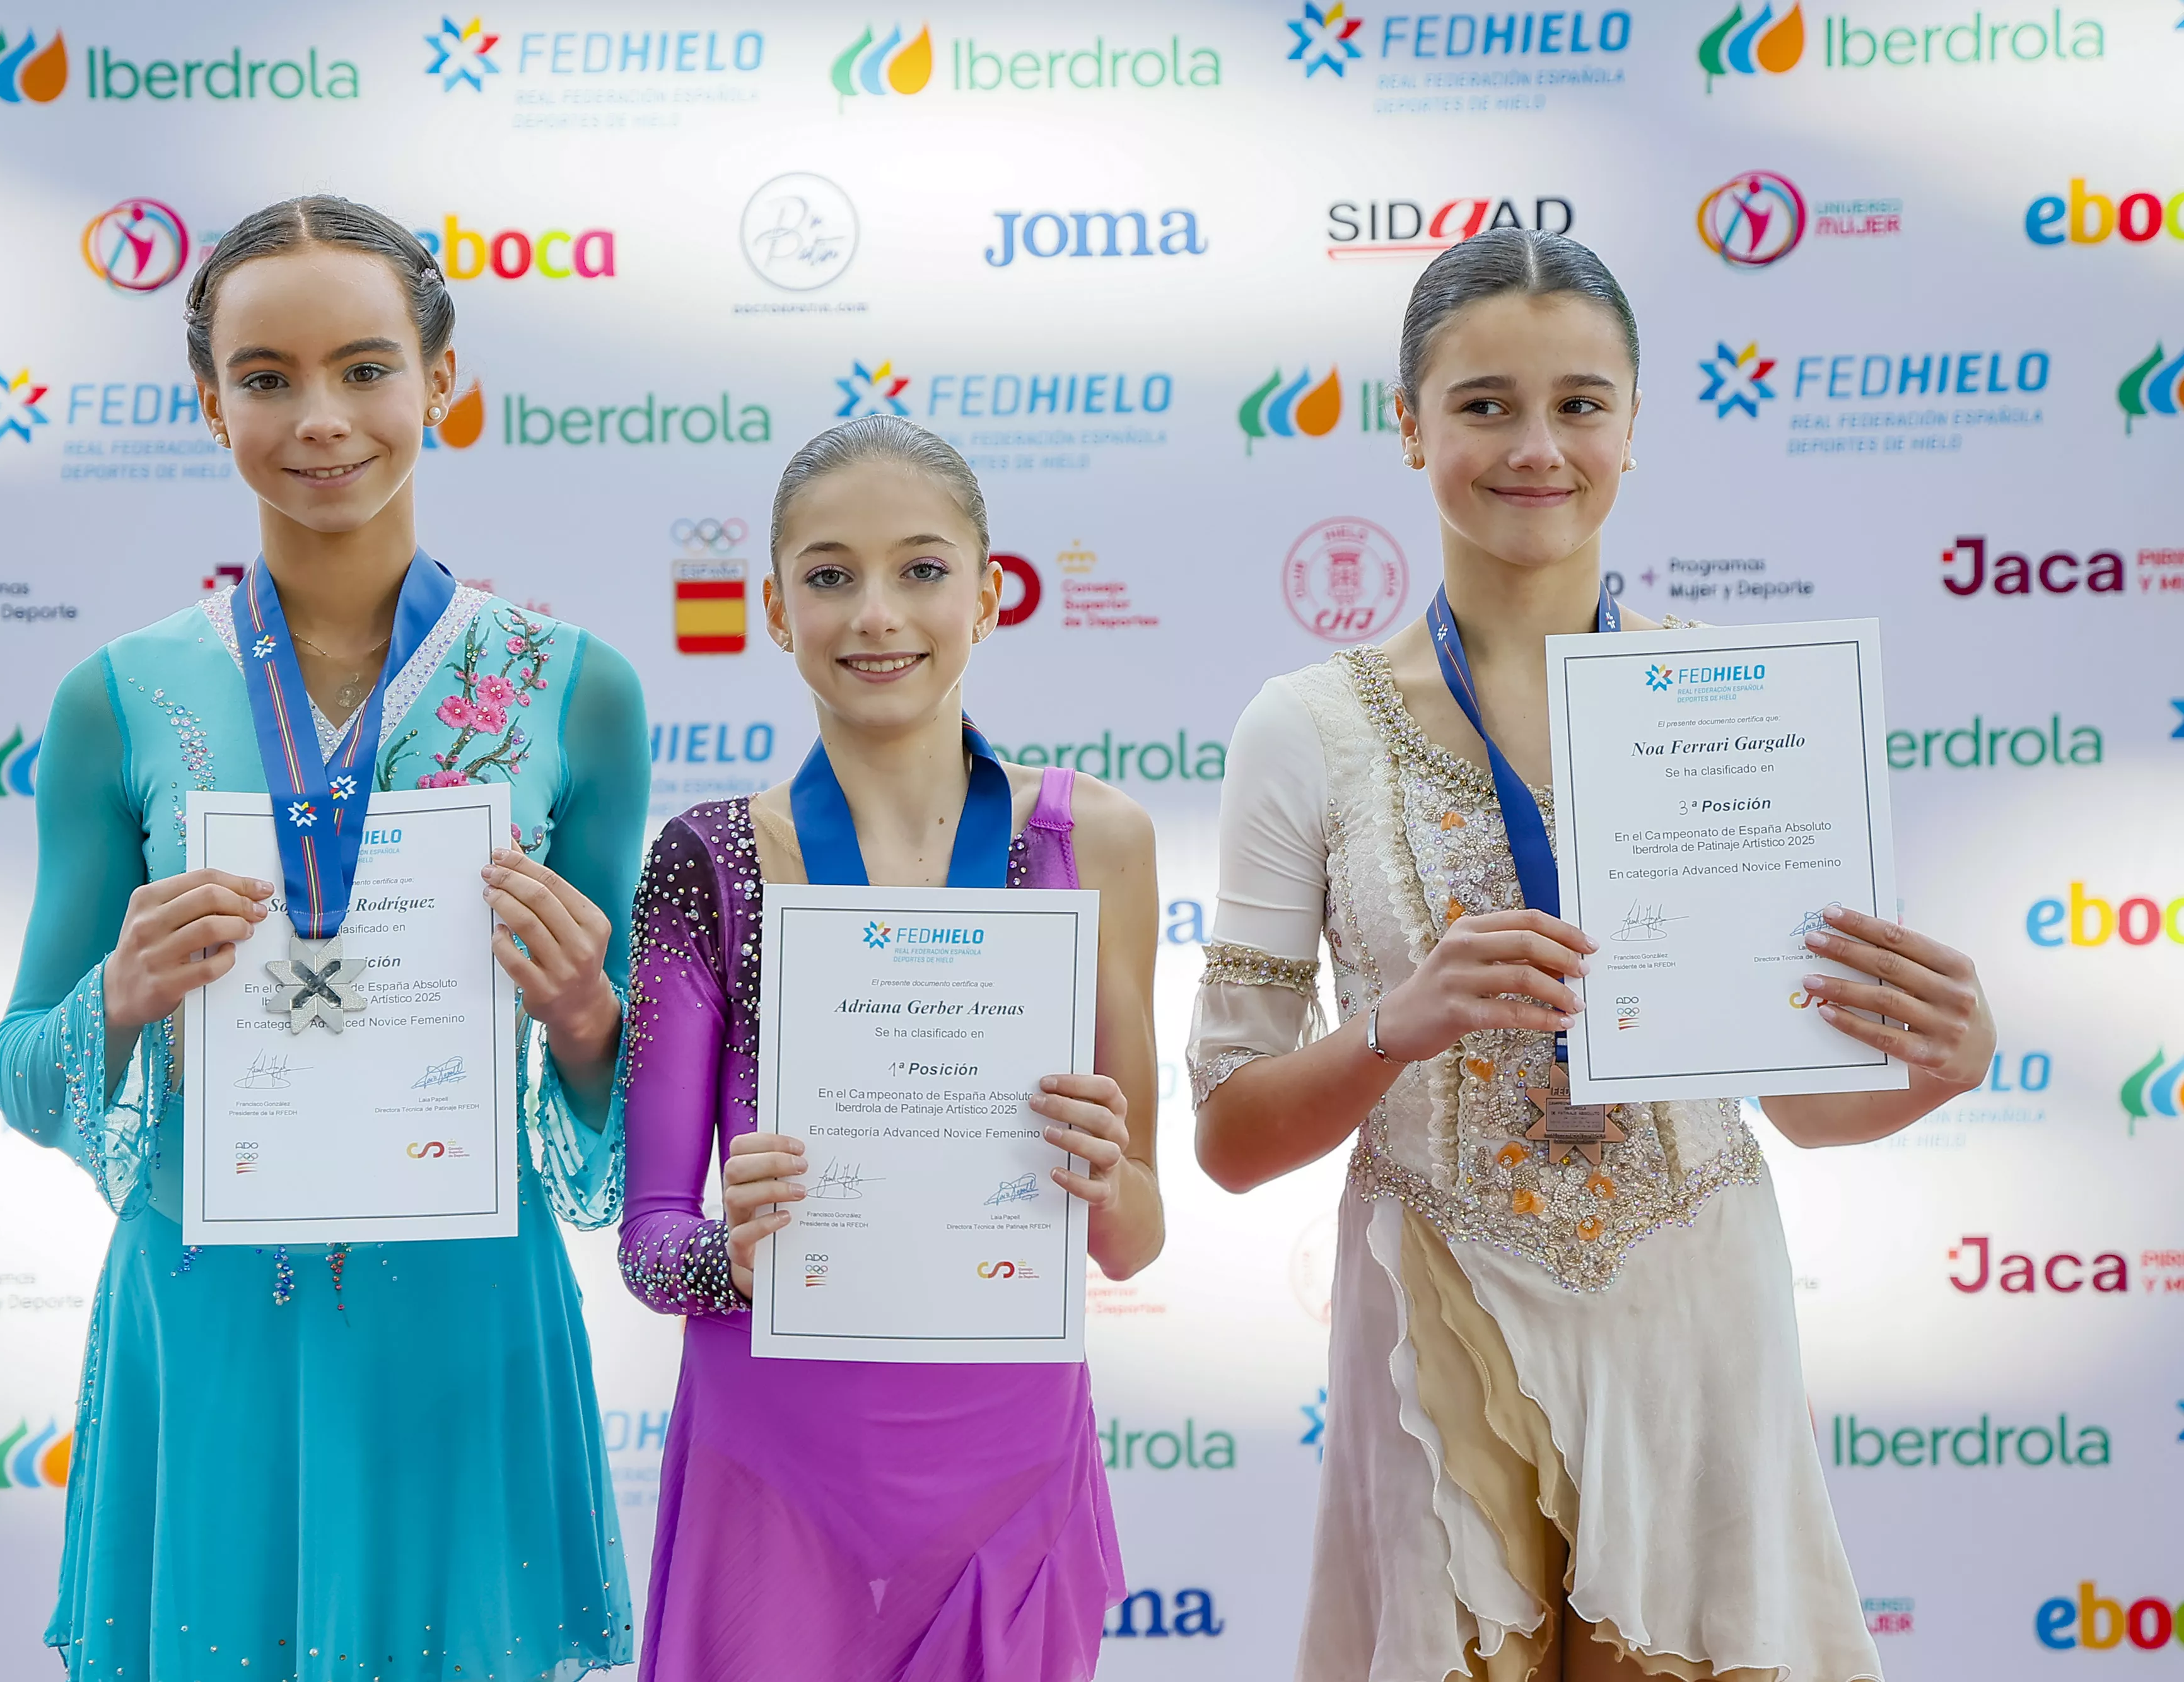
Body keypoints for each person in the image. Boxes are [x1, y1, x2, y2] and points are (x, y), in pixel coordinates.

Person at [1189, 229, 1994, 1682]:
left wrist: (1939, 1071)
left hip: (1693, 1311)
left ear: (1633, 424)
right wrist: (1397, 1025)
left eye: (1578, 403)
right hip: (1437, 1318)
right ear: (1406, 423)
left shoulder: (1738, 709)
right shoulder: (1300, 726)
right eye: (1483, 403)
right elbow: (1231, 1139)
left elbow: (1806, 1105)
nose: (1535, 447)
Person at [0, 195, 647, 1682]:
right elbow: (29, 1075)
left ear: (441, 380)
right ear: (207, 397)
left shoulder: (572, 686)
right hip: (210, 1312)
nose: (320, 419)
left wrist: (589, 1023)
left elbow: (627, 1107)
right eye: (268, 377)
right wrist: (116, 995)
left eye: (364, 367)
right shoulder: (119, 694)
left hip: (465, 1319)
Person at [615, 416, 1165, 1681]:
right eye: (827, 574)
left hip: (1007, 1467)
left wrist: (1100, 1172)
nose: (875, 613)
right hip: (777, 1478)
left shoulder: (1102, 840)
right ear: (770, 605)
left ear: (989, 592)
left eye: (920, 569)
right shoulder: (706, 859)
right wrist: (728, 1254)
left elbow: (1136, 1233)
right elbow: (652, 1243)